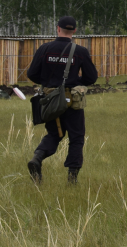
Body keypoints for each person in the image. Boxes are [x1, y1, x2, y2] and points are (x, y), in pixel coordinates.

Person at [26, 16, 98, 185]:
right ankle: (72, 179)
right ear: (74, 31)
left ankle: (37, 158)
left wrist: (49, 84)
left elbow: (31, 74)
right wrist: (75, 83)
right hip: (72, 101)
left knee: (54, 133)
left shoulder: (45, 49)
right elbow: (91, 77)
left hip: (51, 100)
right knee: (76, 137)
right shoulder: (80, 51)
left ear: (57, 29)